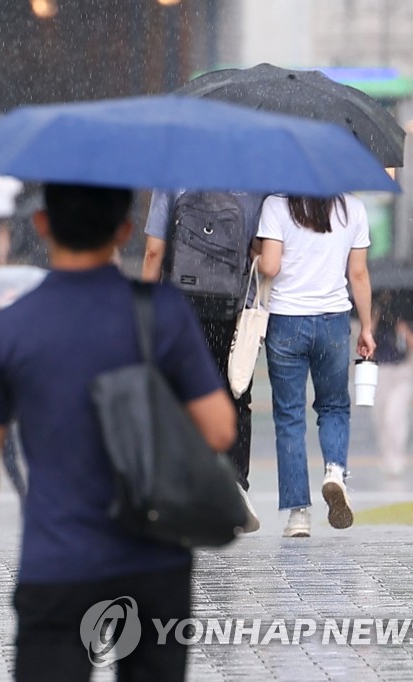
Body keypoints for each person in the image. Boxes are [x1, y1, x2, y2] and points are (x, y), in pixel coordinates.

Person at [0, 183, 235, 681]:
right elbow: (218, 429)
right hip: (155, 561)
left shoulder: (3, 331)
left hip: (59, 563)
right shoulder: (161, 312)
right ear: (125, 231)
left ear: (41, 226)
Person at [142, 189, 265, 532]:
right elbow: (258, 249)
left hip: (181, 305)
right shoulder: (253, 179)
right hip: (233, 303)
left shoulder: (171, 175)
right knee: (236, 390)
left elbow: (154, 251)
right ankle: (235, 481)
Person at [254, 193, 375, 538]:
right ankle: (335, 472)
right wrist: (365, 326)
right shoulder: (352, 207)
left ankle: (298, 516)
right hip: (333, 320)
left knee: (290, 416)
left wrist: (257, 252)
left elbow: (270, 267)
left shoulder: (276, 204)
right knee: (334, 405)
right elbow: (359, 274)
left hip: (286, 321)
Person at [372, 297, 413, 476]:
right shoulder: (375, 317)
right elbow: (365, 344)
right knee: (380, 415)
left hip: (401, 371)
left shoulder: (407, 317)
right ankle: (387, 456)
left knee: (395, 414)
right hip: (380, 370)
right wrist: (373, 320)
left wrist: (404, 331)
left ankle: (397, 458)